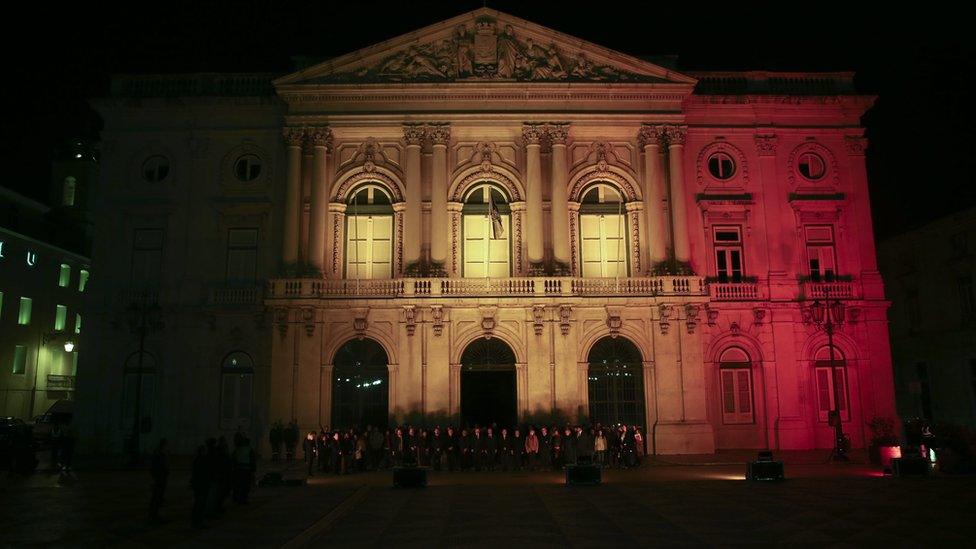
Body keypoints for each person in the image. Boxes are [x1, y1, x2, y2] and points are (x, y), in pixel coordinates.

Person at [148, 438, 168, 523]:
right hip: (160, 478)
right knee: (157, 497)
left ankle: (154, 514)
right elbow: (160, 467)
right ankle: (154, 515)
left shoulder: (158, 453)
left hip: (159, 478)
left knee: (157, 497)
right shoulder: (160, 454)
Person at [232, 433, 256, 503]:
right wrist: (253, 470)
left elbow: (233, 459)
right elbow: (252, 460)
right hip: (246, 470)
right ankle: (243, 498)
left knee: (238, 485)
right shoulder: (249, 449)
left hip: (238, 469)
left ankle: (237, 498)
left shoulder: (237, 449)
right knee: (245, 485)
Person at [190, 445, 209, 528]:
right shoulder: (203, 460)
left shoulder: (196, 460)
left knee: (198, 502)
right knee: (200, 503)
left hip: (197, 484)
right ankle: (198, 521)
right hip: (202, 484)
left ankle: (196, 520)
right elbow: (204, 473)